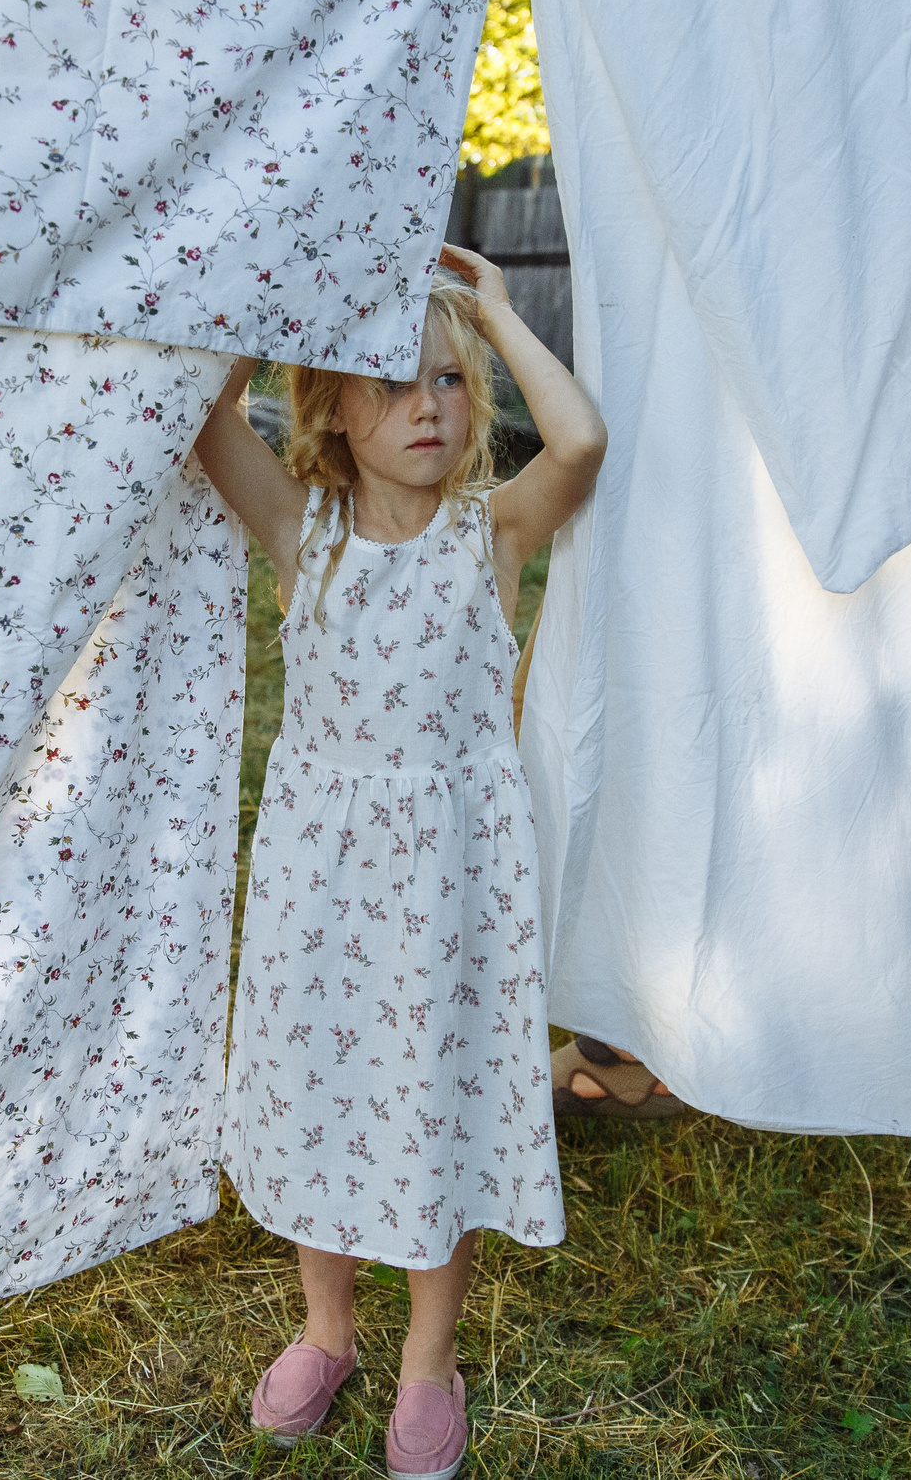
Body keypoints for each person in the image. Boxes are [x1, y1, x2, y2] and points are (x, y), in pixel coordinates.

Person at [189, 243, 607, 1480]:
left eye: (447, 383)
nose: (426, 405)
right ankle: (327, 1331)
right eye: (388, 384)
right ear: (329, 410)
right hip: (321, 879)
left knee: (430, 1099)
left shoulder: (489, 536)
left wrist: (496, 318)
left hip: (446, 886)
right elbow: (209, 415)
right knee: (323, 1094)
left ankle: (428, 1358)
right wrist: (290, 295)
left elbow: (576, 444)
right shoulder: (298, 528)